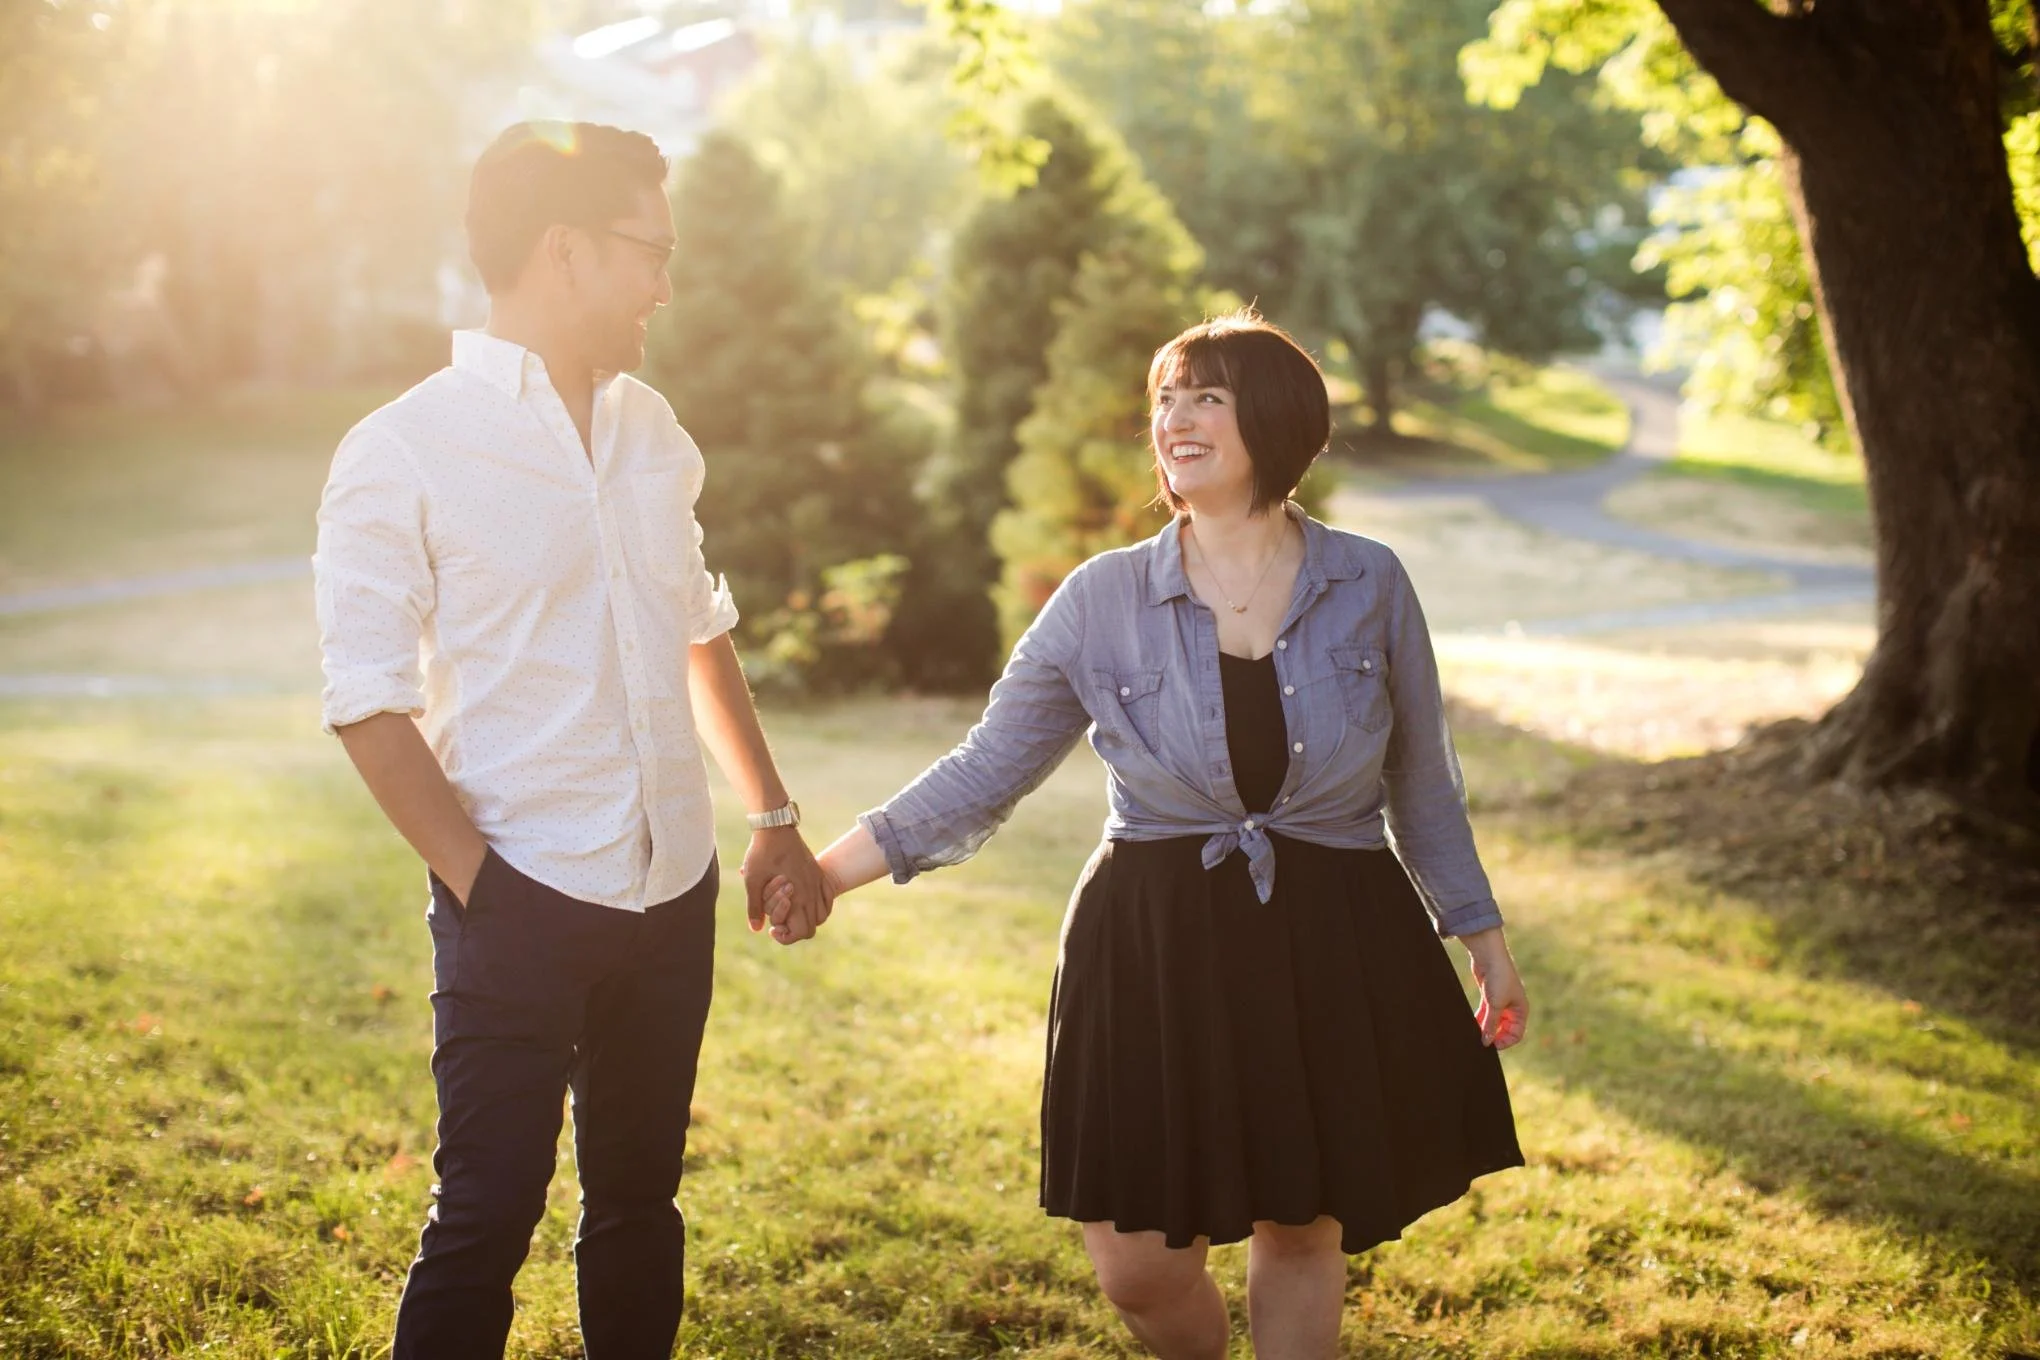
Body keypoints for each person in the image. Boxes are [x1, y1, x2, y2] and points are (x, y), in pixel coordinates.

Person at [790, 311, 1528, 1359]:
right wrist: (823, 875)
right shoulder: (1103, 598)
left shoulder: (1370, 582)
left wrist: (1481, 938)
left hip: (1330, 934)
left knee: (1302, 1222)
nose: (1174, 420)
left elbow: (1422, 781)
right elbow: (988, 768)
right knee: (1137, 1267)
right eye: (1164, 401)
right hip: (1152, 945)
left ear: (1272, 419)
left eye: (1206, 397)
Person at [313, 121, 827, 1360]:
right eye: (651, 250)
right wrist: (485, 889)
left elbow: (699, 629)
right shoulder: (403, 449)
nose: (666, 282)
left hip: (674, 890)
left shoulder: (653, 430)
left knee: (642, 1209)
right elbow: (368, 703)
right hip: (517, 896)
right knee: (485, 1220)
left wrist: (768, 815)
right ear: (565, 250)